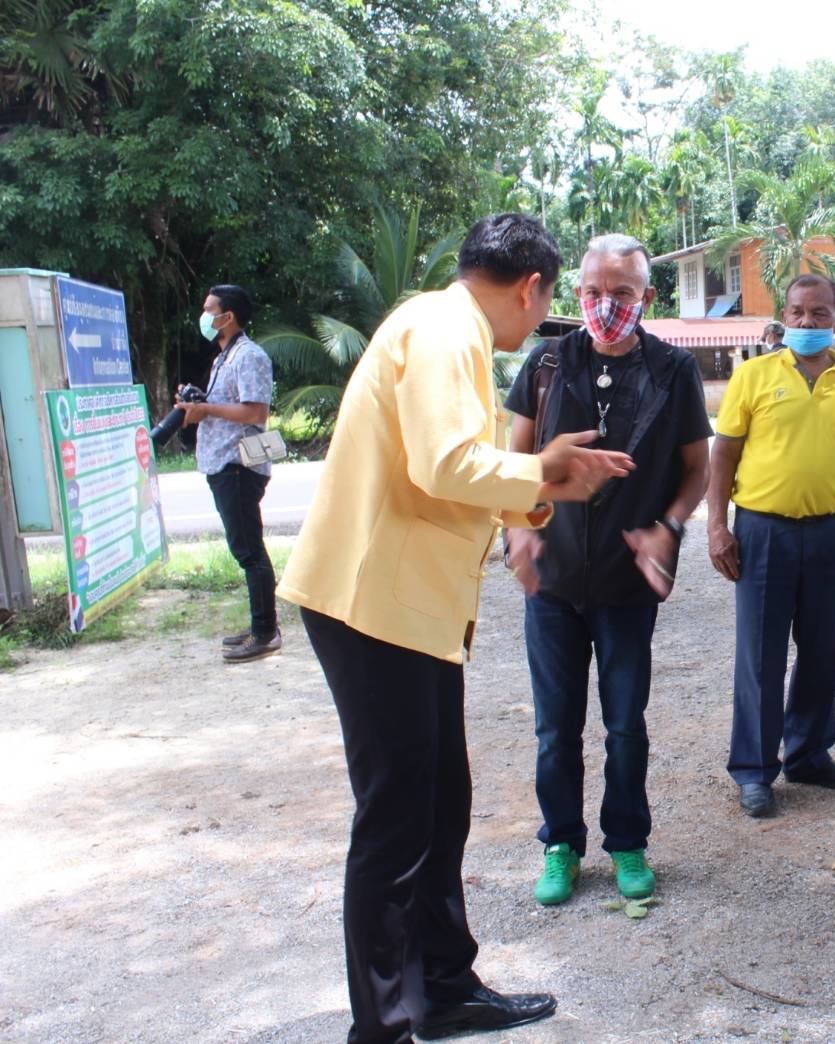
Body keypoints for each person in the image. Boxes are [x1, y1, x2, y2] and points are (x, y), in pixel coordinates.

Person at [277, 214, 633, 1043]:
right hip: (374, 606)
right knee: (397, 818)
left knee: (440, 804)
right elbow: (443, 463)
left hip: (410, 610)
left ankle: (441, 987)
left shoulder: (446, 327)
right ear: (530, 287)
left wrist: (537, 488)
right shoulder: (445, 328)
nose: (529, 330)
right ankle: (387, 1024)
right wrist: (546, 470)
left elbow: (448, 474)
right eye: (539, 310)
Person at [504, 234, 711, 908]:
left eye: (621, 294)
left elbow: (695, 469)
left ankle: (627, 842)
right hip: (553, 583)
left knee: (625, 724)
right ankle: (561, 843)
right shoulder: (546, 363)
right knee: (554, 727)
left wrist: (668, 529)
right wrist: (516, 531)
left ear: (646, 297)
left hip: (627, 586)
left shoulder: (672, 370)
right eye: (593, 292)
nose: (604, 305)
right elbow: (513, 461)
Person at [707, 273, 835, 818]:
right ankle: (755, 771)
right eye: (797, 312)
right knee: (761, 654)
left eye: (819, 314)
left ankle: (809, 754)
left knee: (824, 649)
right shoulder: (755, 376)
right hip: (762, 532)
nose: (806, 323)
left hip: (829, 532)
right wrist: (718, 525)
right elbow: (723, 454)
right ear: (783, 316)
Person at [177, 284, 280, 663]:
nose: (204, 316)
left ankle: (266, 632)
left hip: (239, 467)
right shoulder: (225, 357)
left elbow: (255, 413)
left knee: (250, 551)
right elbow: (230, 404)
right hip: (224, 464)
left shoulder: (249, 356)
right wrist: (199, 403)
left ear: (227, 316)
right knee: (246, 549)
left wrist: (208, 411)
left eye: (209, 310)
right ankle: (260, 626)